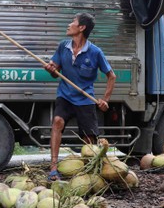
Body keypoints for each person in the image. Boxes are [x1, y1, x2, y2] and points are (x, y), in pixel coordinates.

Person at [43, 12, 116, 180]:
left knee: (89, 138)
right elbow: (56, 72)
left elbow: (111, 76)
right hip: (65, 95)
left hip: (85, 99)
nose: (69, 25)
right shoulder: (63, 47)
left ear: (81, 27)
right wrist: (52, 69)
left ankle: (87, 172)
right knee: (57, 122)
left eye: (72, 22)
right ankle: (53, 167)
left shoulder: (95, 52)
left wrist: (105, 100)